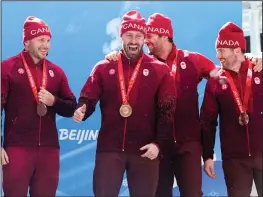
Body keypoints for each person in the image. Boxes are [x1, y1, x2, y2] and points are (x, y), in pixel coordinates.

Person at [105, 13, 262, 197]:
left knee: (192, 193)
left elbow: (224, 73)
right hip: (158, 145)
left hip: (188, 145)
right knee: (159, 194)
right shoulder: (144, 63)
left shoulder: (192, 60)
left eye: (149, 36)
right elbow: (125, 70)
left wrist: (250, 59)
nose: (145, 41)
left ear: (164, 35)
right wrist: (116, 55)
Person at [73, 10, 176, 197]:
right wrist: (82, 110)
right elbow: (88, 98)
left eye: (138, 36)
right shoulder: (104, 67)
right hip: (110, 149)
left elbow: (167, 112)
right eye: (129, 35)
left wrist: (158, 144)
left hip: (145, 150)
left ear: (145, 38)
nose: (134, 41)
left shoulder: (160, 70)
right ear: (121, 36)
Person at [1, 16, 77, 197]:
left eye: (48, 40)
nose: (46, 45)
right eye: (41, 40)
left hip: (49, 150)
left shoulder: (56, 72)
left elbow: (71, 106)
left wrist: (54, 102)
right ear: (27, 41)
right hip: (17, 148)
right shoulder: (7, 68)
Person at [201, 22, 262, 197]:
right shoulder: (215, 81)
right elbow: (208, 121)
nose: (217, 55)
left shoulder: (259, 71)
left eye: (221, 50)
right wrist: (207, 155)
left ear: (236, 50)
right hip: (235, 160)